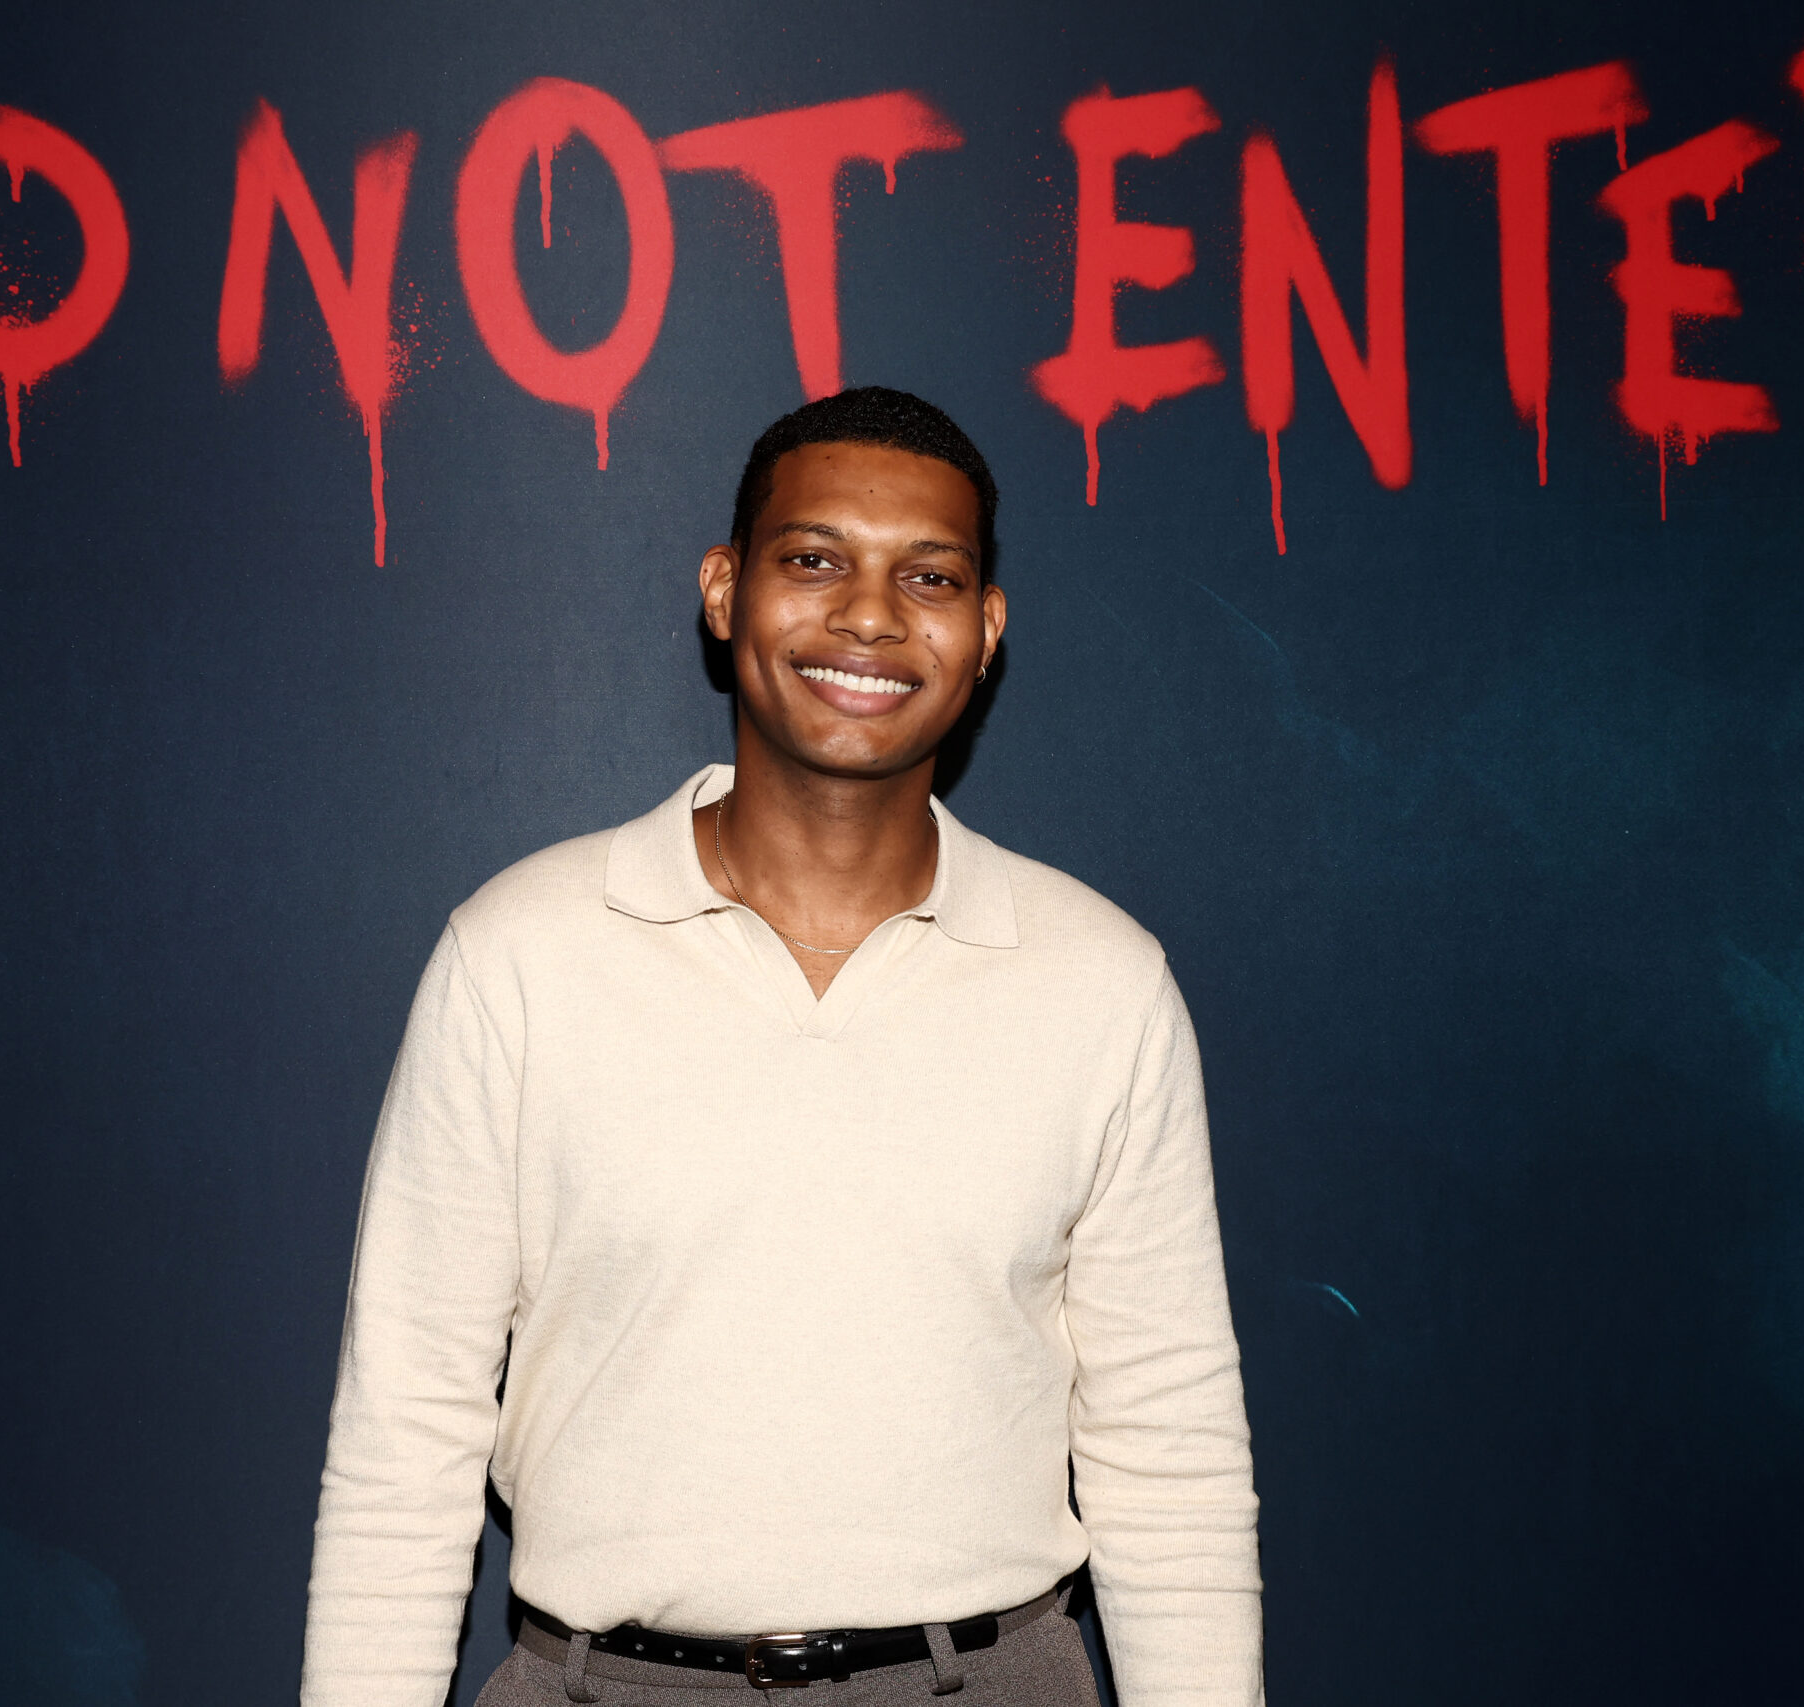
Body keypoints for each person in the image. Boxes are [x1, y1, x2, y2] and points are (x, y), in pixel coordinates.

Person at [301, 389, 1261, 1707]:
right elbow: (404, 1437)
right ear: (724, 590)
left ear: (986, 631)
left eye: (930, 576)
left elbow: (1169, 1448)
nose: (870, 614)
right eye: (815, 560)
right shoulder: (519, 954)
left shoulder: (1101, 982)